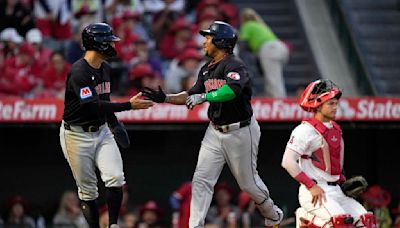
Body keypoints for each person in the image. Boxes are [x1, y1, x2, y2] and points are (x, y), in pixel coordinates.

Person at [142, 21, 283, 228]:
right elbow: (190, 95)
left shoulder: (235, 65)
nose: (204, 42)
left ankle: (272, 213)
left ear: (221, 42)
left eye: (208, 38)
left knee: (248, 184)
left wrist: (204, 97)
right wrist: (166, 98)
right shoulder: (206, 70)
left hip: (241, 130)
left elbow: (232, 90)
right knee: (201, 180)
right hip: (215, 130)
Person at [59, 22, 153, 228]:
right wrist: (130, 105)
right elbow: (92, 106)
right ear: (98, 44)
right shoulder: (79, 71)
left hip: (101, 131)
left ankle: (112, 224)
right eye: (109, 42)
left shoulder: (105, 67)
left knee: (116, 177)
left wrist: (114, 124)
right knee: (88, 191)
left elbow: (105, 99)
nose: (113, 45)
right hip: (76, 135)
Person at [281, 79, 377, 227]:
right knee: (340, 223)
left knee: (367, 221)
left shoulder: (335, 129)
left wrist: (342, 182)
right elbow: (287, 162)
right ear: (318, 106)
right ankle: (306, 217)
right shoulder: (304, 130)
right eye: (330, 103)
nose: (335, 107)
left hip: (337, 190)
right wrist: (311, 186)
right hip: (314, 190)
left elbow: (333, 163)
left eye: (336, 103)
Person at [239, 8, 290, 97]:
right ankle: (273, 99)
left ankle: (279, 104)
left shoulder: (247, 25)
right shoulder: (261, 25)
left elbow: (243, 44)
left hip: (269, 49)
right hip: (282, 48)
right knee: (273, 77)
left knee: (273, 80)